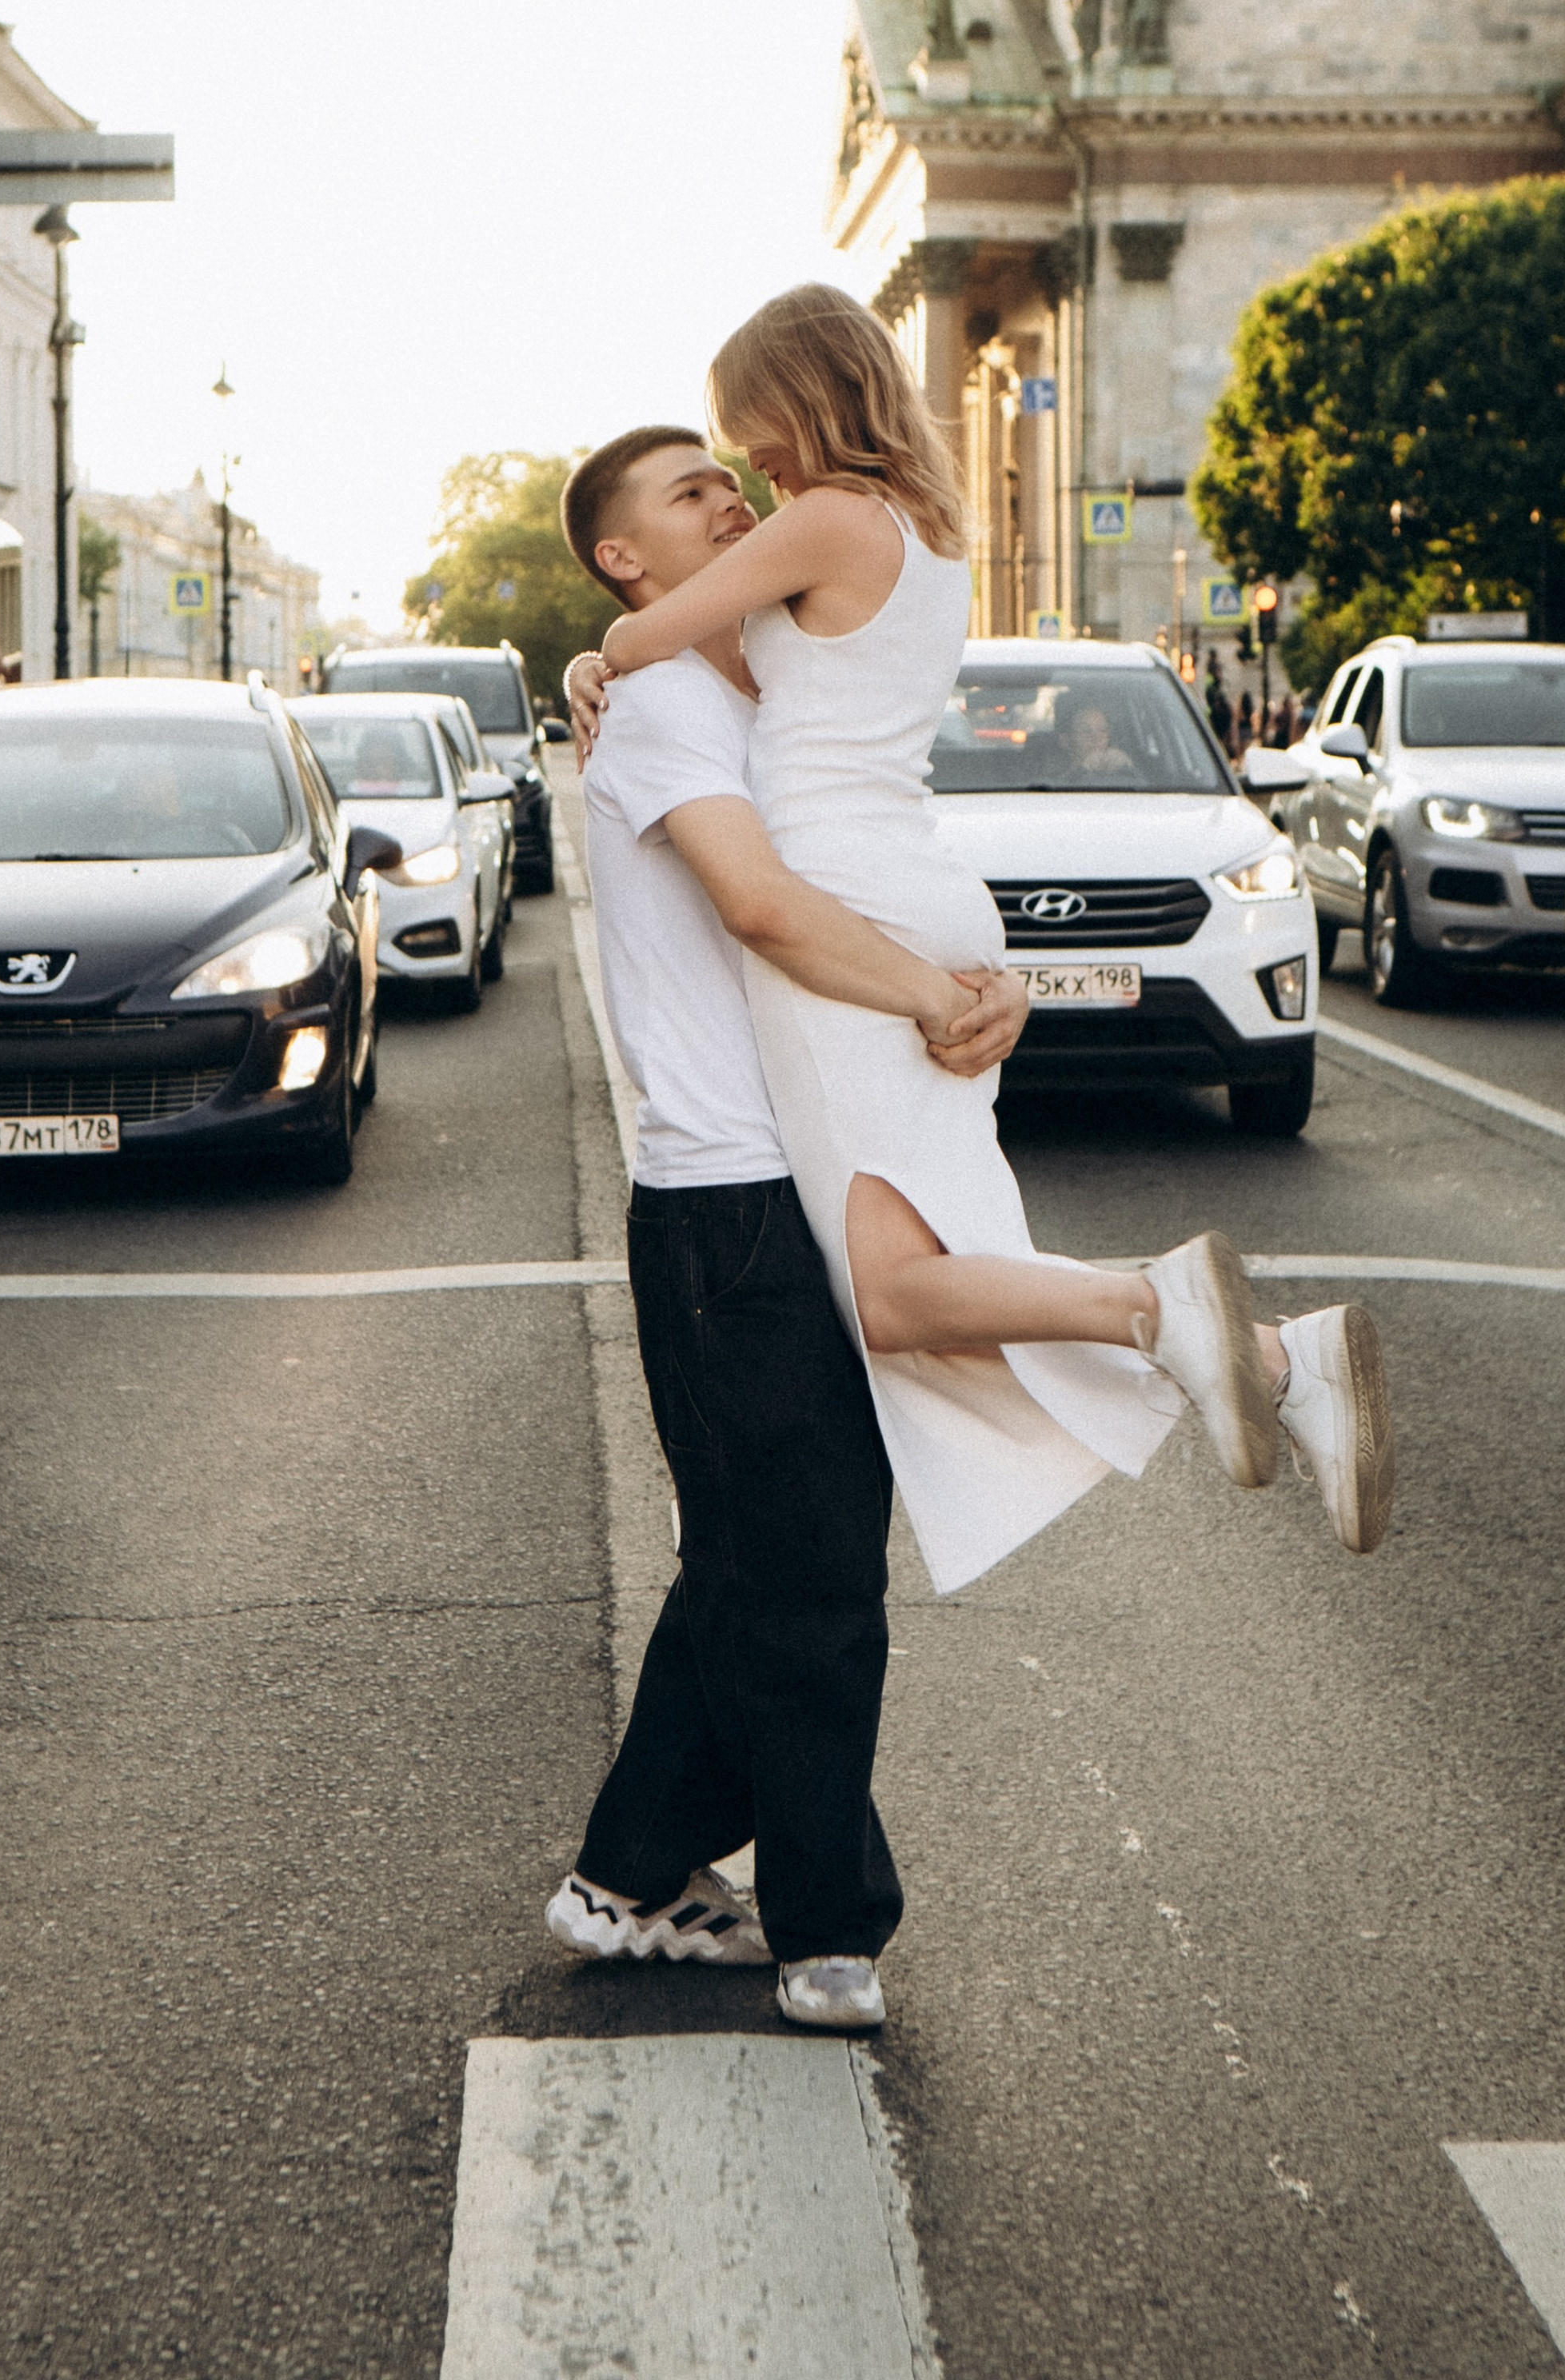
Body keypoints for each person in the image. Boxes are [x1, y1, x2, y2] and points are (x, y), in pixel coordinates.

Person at [588, 285, 1391, 1619]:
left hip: (843, 904)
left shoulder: (826, 519)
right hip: (919, 884)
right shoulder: (926, 529)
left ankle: (1167, 1310)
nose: (753, 472)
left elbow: (646, 632)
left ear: (805, 396)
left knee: (899, 1295)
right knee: (922, 1285)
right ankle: (1275, 1363)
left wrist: (596, 660)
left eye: (754, 439)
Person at [546, 425, 1030, 2035]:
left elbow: (869, 864)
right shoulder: (670, 705)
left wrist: (981, 981)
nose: (729, 500)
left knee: (760, 1560)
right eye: (688, 492)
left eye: (729, 484)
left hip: (818, 1168)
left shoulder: (763, 686)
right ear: (623, 559)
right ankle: (828, 1931)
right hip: (728, 1198)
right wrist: (930, 995)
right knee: (811, 1575)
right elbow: (760, 905)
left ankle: (626, 1873)